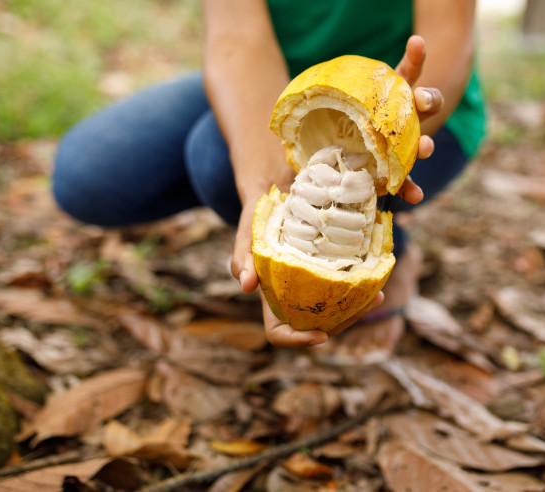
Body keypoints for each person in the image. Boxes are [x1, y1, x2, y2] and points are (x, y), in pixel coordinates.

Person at [52, 0, 484, 364]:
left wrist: (394, 125)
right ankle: (355, 232)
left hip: (407, 93)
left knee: (215, 156)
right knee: (88, 173)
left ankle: (388, 248)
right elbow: (237, 38)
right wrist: (260, 191)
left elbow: (447, 39)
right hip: (279, 69)